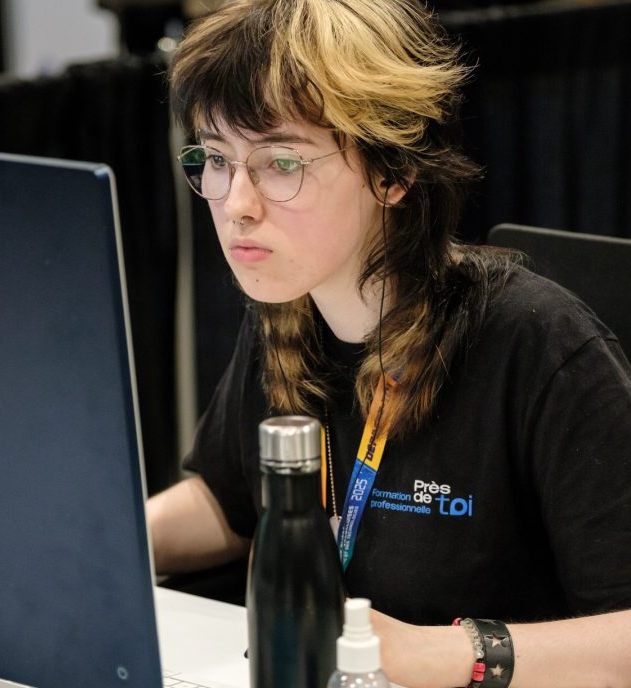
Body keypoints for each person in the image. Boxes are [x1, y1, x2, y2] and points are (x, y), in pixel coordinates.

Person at [147, 1, 631, 686]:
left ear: (393, 172)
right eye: (217, 159)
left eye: (281, 162)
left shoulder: (537, 344)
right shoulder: (286, 309)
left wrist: (439, 652)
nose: (235, 203)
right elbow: (226, 502)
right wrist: (113, 538)